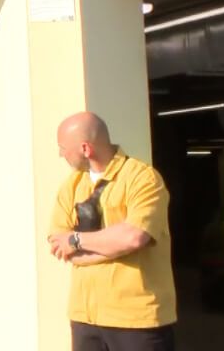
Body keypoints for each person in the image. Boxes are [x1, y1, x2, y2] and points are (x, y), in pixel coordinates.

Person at [47, 112, 177, 350]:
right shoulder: (72, 186)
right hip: (85, 317)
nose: (61, 154)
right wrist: (116, 245)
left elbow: (135, 236)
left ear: (85, 149)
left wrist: (76, 240)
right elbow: (58, 244)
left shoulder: (142, 178)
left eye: (63, 148)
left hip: (136, 319)